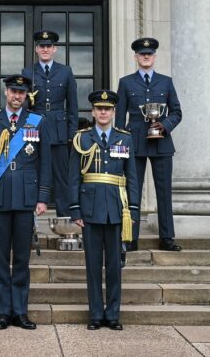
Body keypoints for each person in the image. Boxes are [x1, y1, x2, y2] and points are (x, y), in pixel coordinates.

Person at [0, 74, 51, 330]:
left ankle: (20, 311)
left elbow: (45, 163)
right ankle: (3, 312)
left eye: (21, 92)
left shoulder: (37, 122)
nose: (17, 96)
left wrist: (42, 198)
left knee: (21, 259)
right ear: (6, 92)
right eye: (13, 91)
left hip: (26, 198)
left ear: (26, 95)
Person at [70, 89, 140, 331]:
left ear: (113, 112)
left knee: (114, 265)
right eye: (99, 108)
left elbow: (132, 177)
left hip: (116, 209)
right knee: (92, 265)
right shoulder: (82, 138)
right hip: (89, 208)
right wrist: (75, 209)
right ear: (92, 112)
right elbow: (73, 176)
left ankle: (113, 314)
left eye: (107, 109)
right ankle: (95, 314)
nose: (103, 112)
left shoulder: (125, 138)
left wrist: (133, 209)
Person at [115, 37, 182, 251]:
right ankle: (130, 237)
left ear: (154, 57)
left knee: (164, 191)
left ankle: (167, 237)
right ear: (136, 57)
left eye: (149, 54)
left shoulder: (166, 81)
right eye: (142, 54)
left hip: (161, 141)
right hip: (134, 140)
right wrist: (120, 145)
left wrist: (165, 125)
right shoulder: (125, 82)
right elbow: (119, 117)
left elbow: (177, 112)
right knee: (132, 190)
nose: (146, 57)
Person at [23, 29, 78, 217]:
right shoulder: (28, 72)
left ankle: (65, 220)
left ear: (54, 49)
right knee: (32, 175)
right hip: (34, 130)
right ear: (36, 49)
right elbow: (23, 107)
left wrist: (71, 135)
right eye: (41, 46)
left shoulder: (65, 71)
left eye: (49, 46)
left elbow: (73, 106)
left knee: (62, 178)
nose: (45, 49)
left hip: (58, 131)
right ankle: (29, 223)